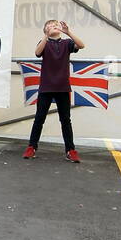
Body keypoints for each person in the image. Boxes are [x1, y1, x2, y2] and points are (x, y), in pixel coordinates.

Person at [23, 18, 85, 162]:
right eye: (50, 26)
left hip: (62, 87)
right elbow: (37, 52)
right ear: (45, 30)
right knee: (39, 118)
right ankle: (31, 147)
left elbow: (81, 45)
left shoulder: (66, 43)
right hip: (46, 86)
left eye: (56, 25)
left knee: (65, 120)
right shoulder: (44, 43)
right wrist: (45, 36)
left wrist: (68, 32)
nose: (54, 27)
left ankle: (70, 150)